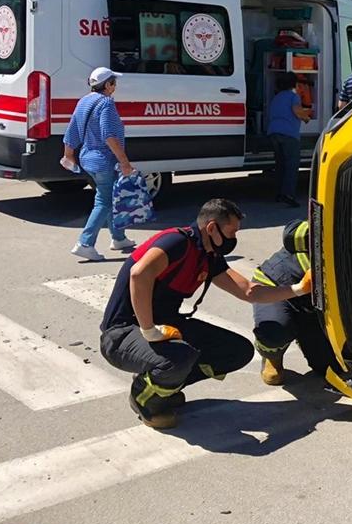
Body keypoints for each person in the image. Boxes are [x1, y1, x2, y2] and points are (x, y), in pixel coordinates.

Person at [99, 199, 312, 429]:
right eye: (232, 232)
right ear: (211, 228)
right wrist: (149, 330)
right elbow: (139, 275)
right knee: (177, 359)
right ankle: (145, 398)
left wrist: (298, 289)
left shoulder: (208, 256)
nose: (234, 239)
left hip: (166, 326)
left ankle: (164, 385)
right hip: (123, 332)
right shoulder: (176, 242)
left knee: (236, 351)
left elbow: (249, 291)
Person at [251, 220, 337, 385]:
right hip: (276, 287)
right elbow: (291, 233)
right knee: (274, 333)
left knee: (327, 368)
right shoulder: (328, 222)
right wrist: (328, 228)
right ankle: (272, 356)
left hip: (311, 302)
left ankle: (298, 329)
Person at [64, 67, 135, 262]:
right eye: (114, 83)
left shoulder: (84, 101)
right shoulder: (106, 104)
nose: (115, 87)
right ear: (108, 85)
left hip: (87, 158)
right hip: (103, 160)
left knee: (110, 196)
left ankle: (119, 238)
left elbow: (73, 129)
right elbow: (109, 135)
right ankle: (85, 243)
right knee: (104, 200)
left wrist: (68, 154)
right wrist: (125, 162)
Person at [267, 71, 311, 207]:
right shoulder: (293, 97)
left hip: (274, 132)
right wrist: (306, 117)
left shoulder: (276, 97)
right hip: (289, 134)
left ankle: (279, 194)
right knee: (291, 165)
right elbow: (297, 110)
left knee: (280, 165)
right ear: (294, 84)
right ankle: (288, 195)